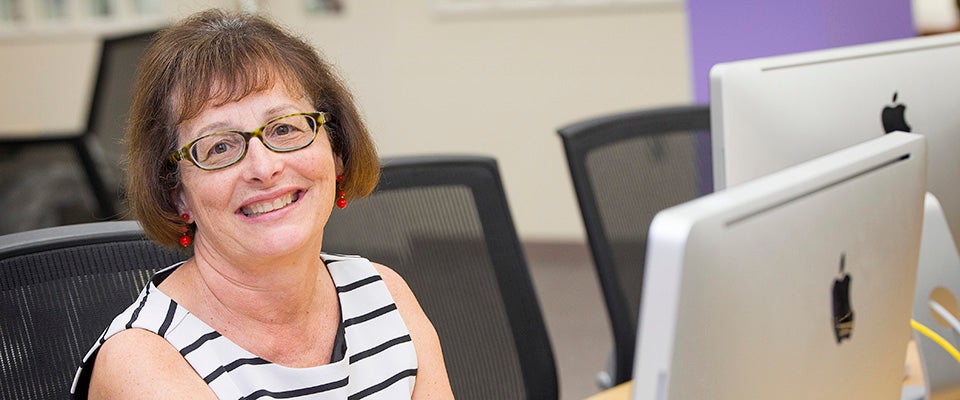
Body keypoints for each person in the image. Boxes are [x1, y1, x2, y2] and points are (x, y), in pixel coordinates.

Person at [70, 8, 454, 399]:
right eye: (219, 146)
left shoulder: (384, 295)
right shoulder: (145, 363)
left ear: (336, 149)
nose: (264, 167)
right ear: (177, 194)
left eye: (284, 128)